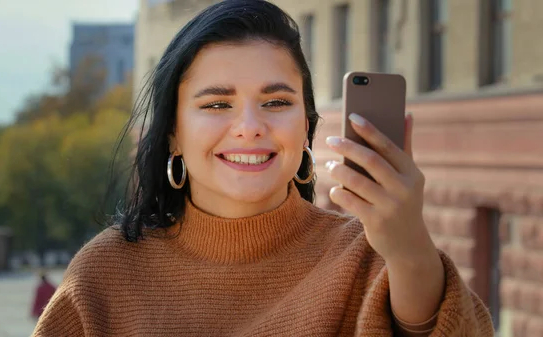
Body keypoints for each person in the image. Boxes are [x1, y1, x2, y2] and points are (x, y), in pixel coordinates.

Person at [32, 1, 494, 336]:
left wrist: (411, 250)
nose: (250, 127)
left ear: (306, 125)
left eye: (276, 101)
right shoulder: (105, 274)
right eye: (217, 103)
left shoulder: (370, 255)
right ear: (173, 132)